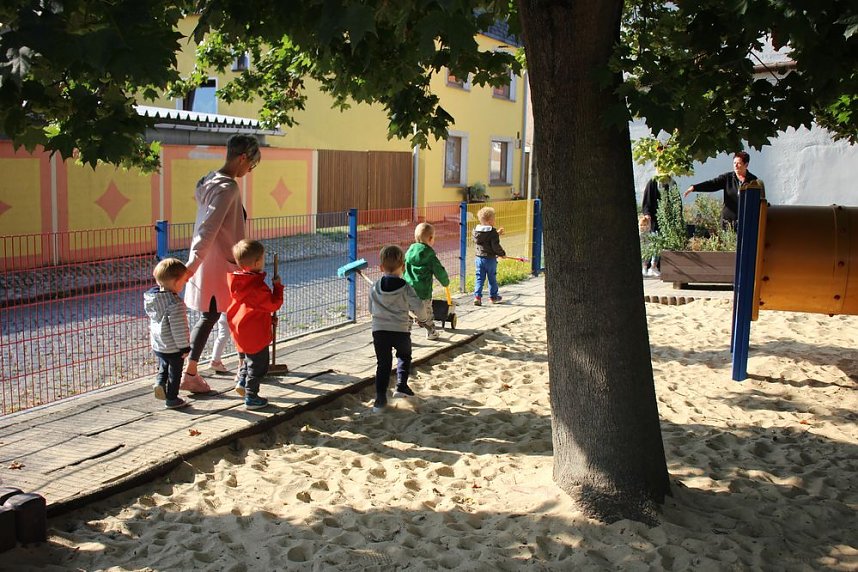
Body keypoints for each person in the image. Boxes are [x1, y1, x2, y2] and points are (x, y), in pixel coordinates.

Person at [183, 134, 261, 393]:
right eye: (251, 164)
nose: (250, 170)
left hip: (212, 262)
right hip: (225, 264)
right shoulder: (228, 187)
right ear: (242, 158)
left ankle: (190, 372)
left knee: (210, 316)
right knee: (240, 314)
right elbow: (209, 227)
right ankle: (242, 372)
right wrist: (191, 264)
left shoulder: (207, 181)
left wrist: (196, 262)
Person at [368, 245, 430, 412]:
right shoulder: (406, 287)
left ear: (381, 267)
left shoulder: (374, 287)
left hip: (379, 330)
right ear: (403, 266)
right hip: (400, 330)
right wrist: (423, 318)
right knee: (404, 355)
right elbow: (417, 305)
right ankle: (401, 385)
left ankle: (380, 398)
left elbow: (370, 309)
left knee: (383, 363)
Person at [226, 239, 284, 410]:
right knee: (259, 367)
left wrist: (268, 319)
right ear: (257, 261)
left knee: (249, 359)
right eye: (263, 258)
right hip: (255, 333)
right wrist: (278, 287)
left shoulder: (240, 282)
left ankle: (242, 381)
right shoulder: (256, 287)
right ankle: (251, 397)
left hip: (241, 330)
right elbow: (274, 304)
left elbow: (254, 308)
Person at [143, 258, 191, 409]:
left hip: (159, 344)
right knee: (175, 372)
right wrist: (184, 348)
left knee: (164, 364)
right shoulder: (175, 304)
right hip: (173, 346)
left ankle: (159, 382)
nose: (184, 285)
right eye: (183, 282)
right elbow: (179, 328)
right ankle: (172, 398)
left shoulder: (152, 299)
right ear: (176, 282)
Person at [684, 151, 757, 228]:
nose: (735, 166)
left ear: (746, 165)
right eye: (734, 163)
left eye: (738, 163)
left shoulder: (753, 181)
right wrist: (694, 187)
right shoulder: (727, 178)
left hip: (745, 222)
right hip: (728, 222)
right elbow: (712, 184)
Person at [404, 222, 450, 340]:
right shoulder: (429, 254)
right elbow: (439, 271)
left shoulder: (409, 252)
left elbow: (403, 268)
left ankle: (405, 335)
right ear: (430, 238)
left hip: (408, 290)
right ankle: (431, 332)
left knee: (408, 313)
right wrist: (445, 282)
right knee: (426, 313)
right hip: (423, 292)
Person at [473, 206, 506, 305]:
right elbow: (495, 246)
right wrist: (502, 254)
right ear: (489, 220)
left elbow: (485, 238)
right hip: (490, 259)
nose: (494, 221)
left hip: (479, 258)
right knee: (492, 278)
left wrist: (496, 233)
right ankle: (493, 297)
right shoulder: (492, 232)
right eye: (493, 219)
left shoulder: (476, 231)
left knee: (479, 278)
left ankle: (477, 297)